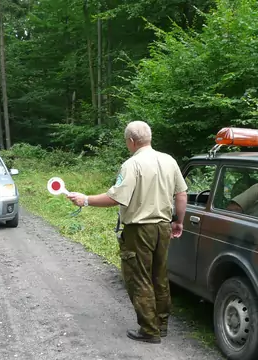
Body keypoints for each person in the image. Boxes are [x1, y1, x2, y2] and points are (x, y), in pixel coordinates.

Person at [66, 120, 188, 344]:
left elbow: (115, 197)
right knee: (159, 277)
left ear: (131, 141)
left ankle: (149, 331)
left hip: (139, 230)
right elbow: (181, 194)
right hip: (163, 227)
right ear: (149, 137)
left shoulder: (132, 165)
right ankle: (161, 325)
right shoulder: (169, 161)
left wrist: (85, 200)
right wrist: (178, 221)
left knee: (139, 278)